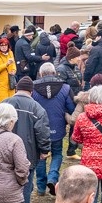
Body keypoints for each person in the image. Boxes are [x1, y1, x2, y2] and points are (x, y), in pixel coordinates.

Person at [29, 65, 74, 196]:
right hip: (58, 127)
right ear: (55, 73)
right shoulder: (65, 88)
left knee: (40, 156)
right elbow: (71, 108)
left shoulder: (32, 88)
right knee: (57, 153)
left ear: (40, 74)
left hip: (38, 129)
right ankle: (53, 177)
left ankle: (41, 186)